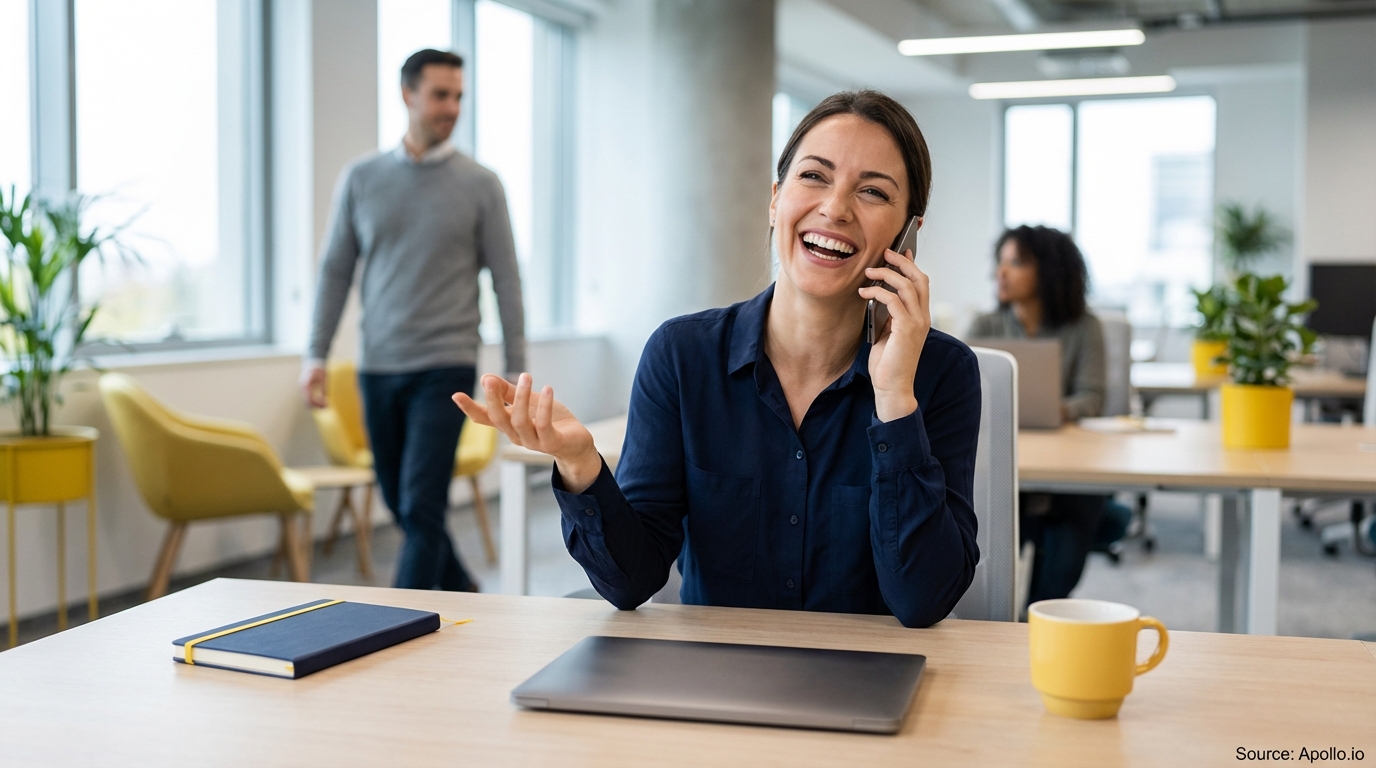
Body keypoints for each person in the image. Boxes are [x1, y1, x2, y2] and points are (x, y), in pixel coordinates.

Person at [456, 90, 981, 629]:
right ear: (776, 200)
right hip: (715, 681)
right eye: (814, 177)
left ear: (907, 234)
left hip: (874, 681)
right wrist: (581, 464)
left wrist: (895, 401)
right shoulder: (683, 357)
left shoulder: (941, 374)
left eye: (872, 191)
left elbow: (921, 601)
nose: (835, 208)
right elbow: (631, 580)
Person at [303, 49, 525, 592]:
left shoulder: (481, 184)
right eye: (440, 95)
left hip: (444, 365)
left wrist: (517, 368)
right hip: (377, 365)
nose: (452, 107)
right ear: (408, 94)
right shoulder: (361, 178)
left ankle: (395, 621)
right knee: (405, 506)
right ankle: (466, 590)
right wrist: (316, 353)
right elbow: (335, 271)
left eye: (458, 96)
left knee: (421, 503)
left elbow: (507, 279)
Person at [969, 225, 1106, 605]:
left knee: (1058, 569)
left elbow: (1092, 398)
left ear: (1048, 270)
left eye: (1015, 263)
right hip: (1001, 455)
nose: (1002, 273)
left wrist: (1051, 408)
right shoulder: (985, 326)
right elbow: (962, 389)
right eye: (1000, 262)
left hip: (1065, 464)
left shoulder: (1084, 327)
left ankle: (1042, 615)